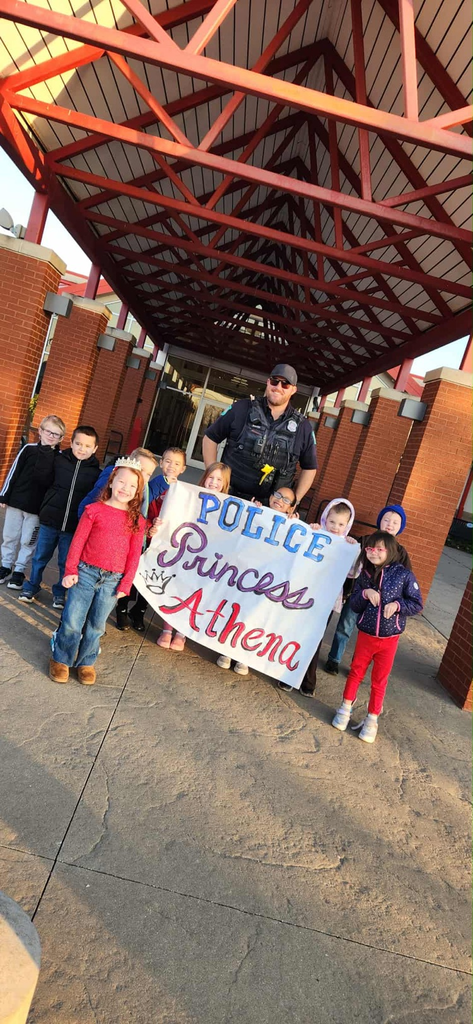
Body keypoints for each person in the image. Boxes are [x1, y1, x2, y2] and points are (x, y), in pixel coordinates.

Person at [49, 458, 146, 686]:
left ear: (138, 491)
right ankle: (61, 659)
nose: (125, 488)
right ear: (111, 482)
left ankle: (86, 662)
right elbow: (78, 542)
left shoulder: (137, 521)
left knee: (97, 624)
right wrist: (70, 569)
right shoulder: (94, 510)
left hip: (113, 580)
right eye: (121, 482)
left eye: (132, 485)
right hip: (85, 572)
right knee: (73, 619)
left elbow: (134, 556)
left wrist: (126, 584)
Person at [331, 530, 423, 743]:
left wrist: (398, 605)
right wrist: (365, 594)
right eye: (370, 548)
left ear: (390, 551)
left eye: (379, 549)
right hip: (366, 635)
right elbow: (354, 603)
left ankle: (372, 720)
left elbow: (417, 603)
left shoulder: (404, 575)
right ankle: (345, 709)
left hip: (389, 640)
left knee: (379, 681)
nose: (373, 552)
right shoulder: (365, 575)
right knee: (355, 672)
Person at [202, 364, 317, 506]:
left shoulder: (303, 427)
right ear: (268, 382)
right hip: (227, 497)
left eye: (285, 384)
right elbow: (210, 438)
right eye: (275, 381)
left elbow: (310, 468)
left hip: (269, 509)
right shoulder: (242, 408)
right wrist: (214, 478)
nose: (278, 387)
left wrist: (294, 502)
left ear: (293, 390)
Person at [218, 483, 298, 678]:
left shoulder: (294, 526)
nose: (280, 500)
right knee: (236, 611)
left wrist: (301, 525)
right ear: (271, 496)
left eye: (286, 500)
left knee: (256, 616)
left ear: (291, 508)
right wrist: (252, 512)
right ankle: (227, 650)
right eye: (278, 495)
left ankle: (244, 656)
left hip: (269, 580)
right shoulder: (256, 511)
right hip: (247, 573)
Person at [278, 498, 357, 695]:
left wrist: (354, 551)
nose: (335, 527)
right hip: (305, 593)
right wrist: (310, 532)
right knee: (296, 634)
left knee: (315, 638)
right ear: (325, 519)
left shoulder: (347, 546)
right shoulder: (315, 533)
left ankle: (307, 681)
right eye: (332, 522)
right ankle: (289, 676)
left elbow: (353, 573)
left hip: (326, 601)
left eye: (341, 524)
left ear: (347, 525)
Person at [19, 426, 100, 609]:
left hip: (73, 526)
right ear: (71, 443)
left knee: (66, 561)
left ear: (95, 449)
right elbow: (42, 479)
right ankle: (32, 586)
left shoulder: (96, 472)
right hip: (50, 520)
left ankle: (59, 592)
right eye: (78, 443)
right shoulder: (59, 461)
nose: (82, 448)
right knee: (40, 556)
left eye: (87, 446)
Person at [325, 504, 410, 676]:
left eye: (395, 522)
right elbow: (343, 551)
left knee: (367, 636)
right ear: (380, 522)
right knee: (345, 626)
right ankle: (334, 659)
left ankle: (358, 666)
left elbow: (406, 579)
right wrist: (347, 540)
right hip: (357, 593)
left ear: (400, 527)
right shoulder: (364, 541)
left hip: (381, 601)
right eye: (386, 519)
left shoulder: (400, 553)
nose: (390, 524)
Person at [155, 462, 231, 653]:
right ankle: (167, 628)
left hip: (207, 557)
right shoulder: (191, 494)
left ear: (225, 483)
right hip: (185, 550)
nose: (213, 482)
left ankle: (181, 633)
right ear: (204, 478)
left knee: (195, 594)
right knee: (176, 589)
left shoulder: (230, 506)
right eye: (211, 478)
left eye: (219, 480)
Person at [0, 415, 65, 590]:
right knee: (10, 536)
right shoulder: (28, 449)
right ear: (40, 431)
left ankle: (19, 570)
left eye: (56, 434)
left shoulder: (59, 458)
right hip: (16, 502)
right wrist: (4, 495)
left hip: (37, 509)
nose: (51, 436)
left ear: (61, 438)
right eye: (48, 431)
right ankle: (5, 565)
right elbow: (14, 471)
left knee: (29, 540)